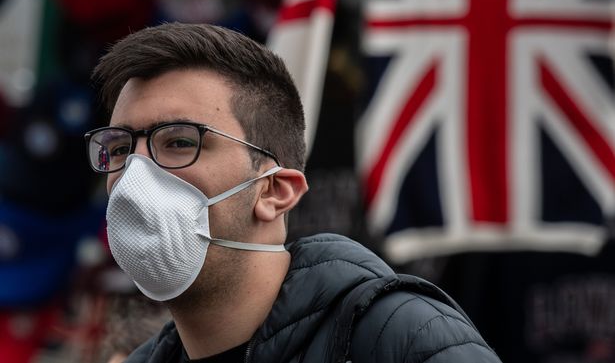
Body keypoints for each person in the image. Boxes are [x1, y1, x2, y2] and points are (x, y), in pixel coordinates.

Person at [85, 22, 502, 362]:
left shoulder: (398, 338)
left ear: (275, 191)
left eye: (179, 142)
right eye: (120, 149)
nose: (134, 175)